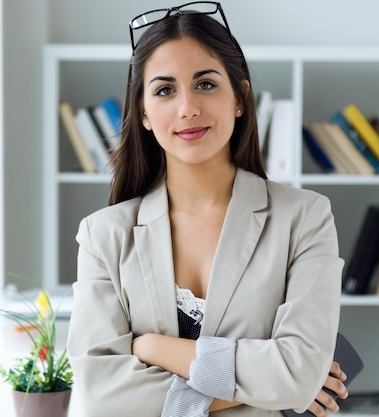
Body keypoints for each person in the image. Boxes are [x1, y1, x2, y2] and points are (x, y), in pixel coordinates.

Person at [67, 2, 347, 416]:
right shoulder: (102, 235)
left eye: (206, 84)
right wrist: (269, 385)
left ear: (240, 97)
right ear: (143, 112)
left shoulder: (305, 217)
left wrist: (153, 348)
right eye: (164, 90)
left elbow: (297, 373)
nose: (187, 108)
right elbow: (101, 397)